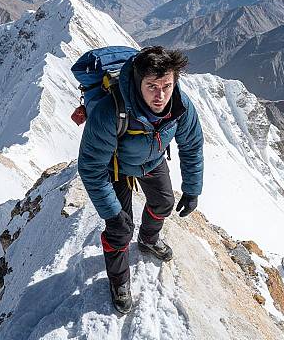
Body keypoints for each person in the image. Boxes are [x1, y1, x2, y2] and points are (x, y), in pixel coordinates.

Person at [77, 46, 204, 314]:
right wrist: (112, 213)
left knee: (163, 203)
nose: (160, 96)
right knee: (119, 229)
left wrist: (192, 189)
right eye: (151, 86)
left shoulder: (181, 106)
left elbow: (192, 145)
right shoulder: (110, 111)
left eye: (167, 86)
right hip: (115, 167)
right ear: (137, 80)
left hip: (152, 160)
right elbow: (90, 168)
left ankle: (148, 239)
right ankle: (119, 282)